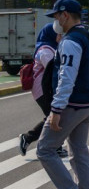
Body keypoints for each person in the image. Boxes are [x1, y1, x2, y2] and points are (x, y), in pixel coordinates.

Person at [36, 0, 89, 189]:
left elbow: (66, 77)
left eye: (56, 16)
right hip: (88, 103)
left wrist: (56, 109)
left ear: (65, 15)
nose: (55, 20)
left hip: (71, 105)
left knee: (45, 149)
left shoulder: (71, 41)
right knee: (78, 150)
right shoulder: (88, 35)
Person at [18, 24, 68, 158]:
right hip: (42, 90)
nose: (60, 37)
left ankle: (55, 146)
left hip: (46, 89)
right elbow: (54, 70)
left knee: (55, 117)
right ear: (50, 35)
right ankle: (28, 138)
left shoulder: (50, 48)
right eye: (57, 34)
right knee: (53, 117)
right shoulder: (45, 50)